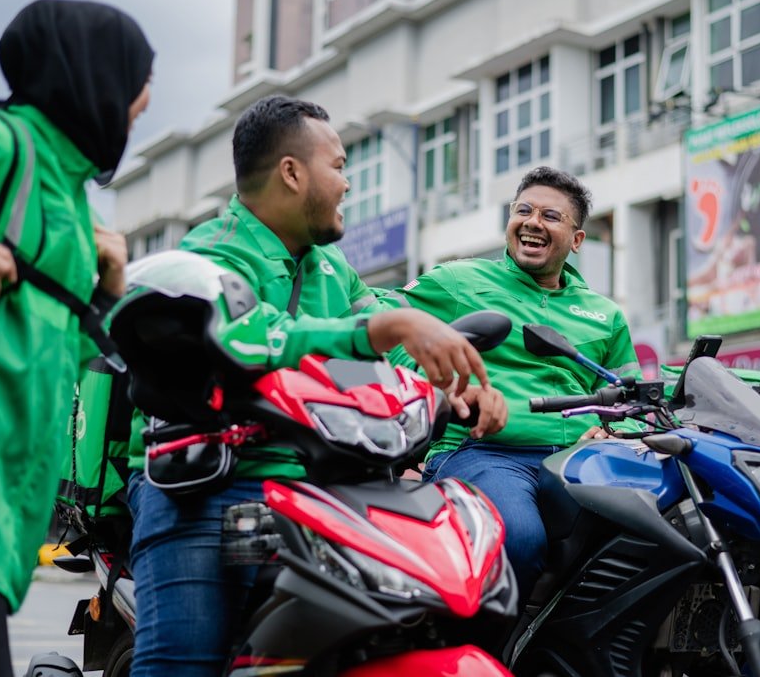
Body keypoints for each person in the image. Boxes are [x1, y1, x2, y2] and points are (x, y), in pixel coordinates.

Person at [126, 95, 504, 677]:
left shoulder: (331, 268)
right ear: (292, 172)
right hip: (209, 484)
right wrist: (385, 325)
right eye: (340, 165)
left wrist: (453, 387)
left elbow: (388, 342)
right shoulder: (215, 251)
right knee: (184, 663)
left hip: (317, 487)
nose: (348, 184)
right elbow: (252, 334)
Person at [0, 0, 153, 676]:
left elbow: (56, 351)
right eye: (135, 79)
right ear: (91, 74)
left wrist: (106, 292)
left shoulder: (69, 196)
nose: (141, 102)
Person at [375, 166, 641, 597]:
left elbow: (631, 392)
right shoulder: (459, 280)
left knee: (652, 534)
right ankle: (485, 656)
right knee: (516, 537)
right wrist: (434, 377)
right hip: (484, 451)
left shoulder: (605, 313)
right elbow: (379, 319)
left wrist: (615, 429)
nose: (534, 222)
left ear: (576, 241)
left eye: (551, 216)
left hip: (582, 460)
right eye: (524, 211)